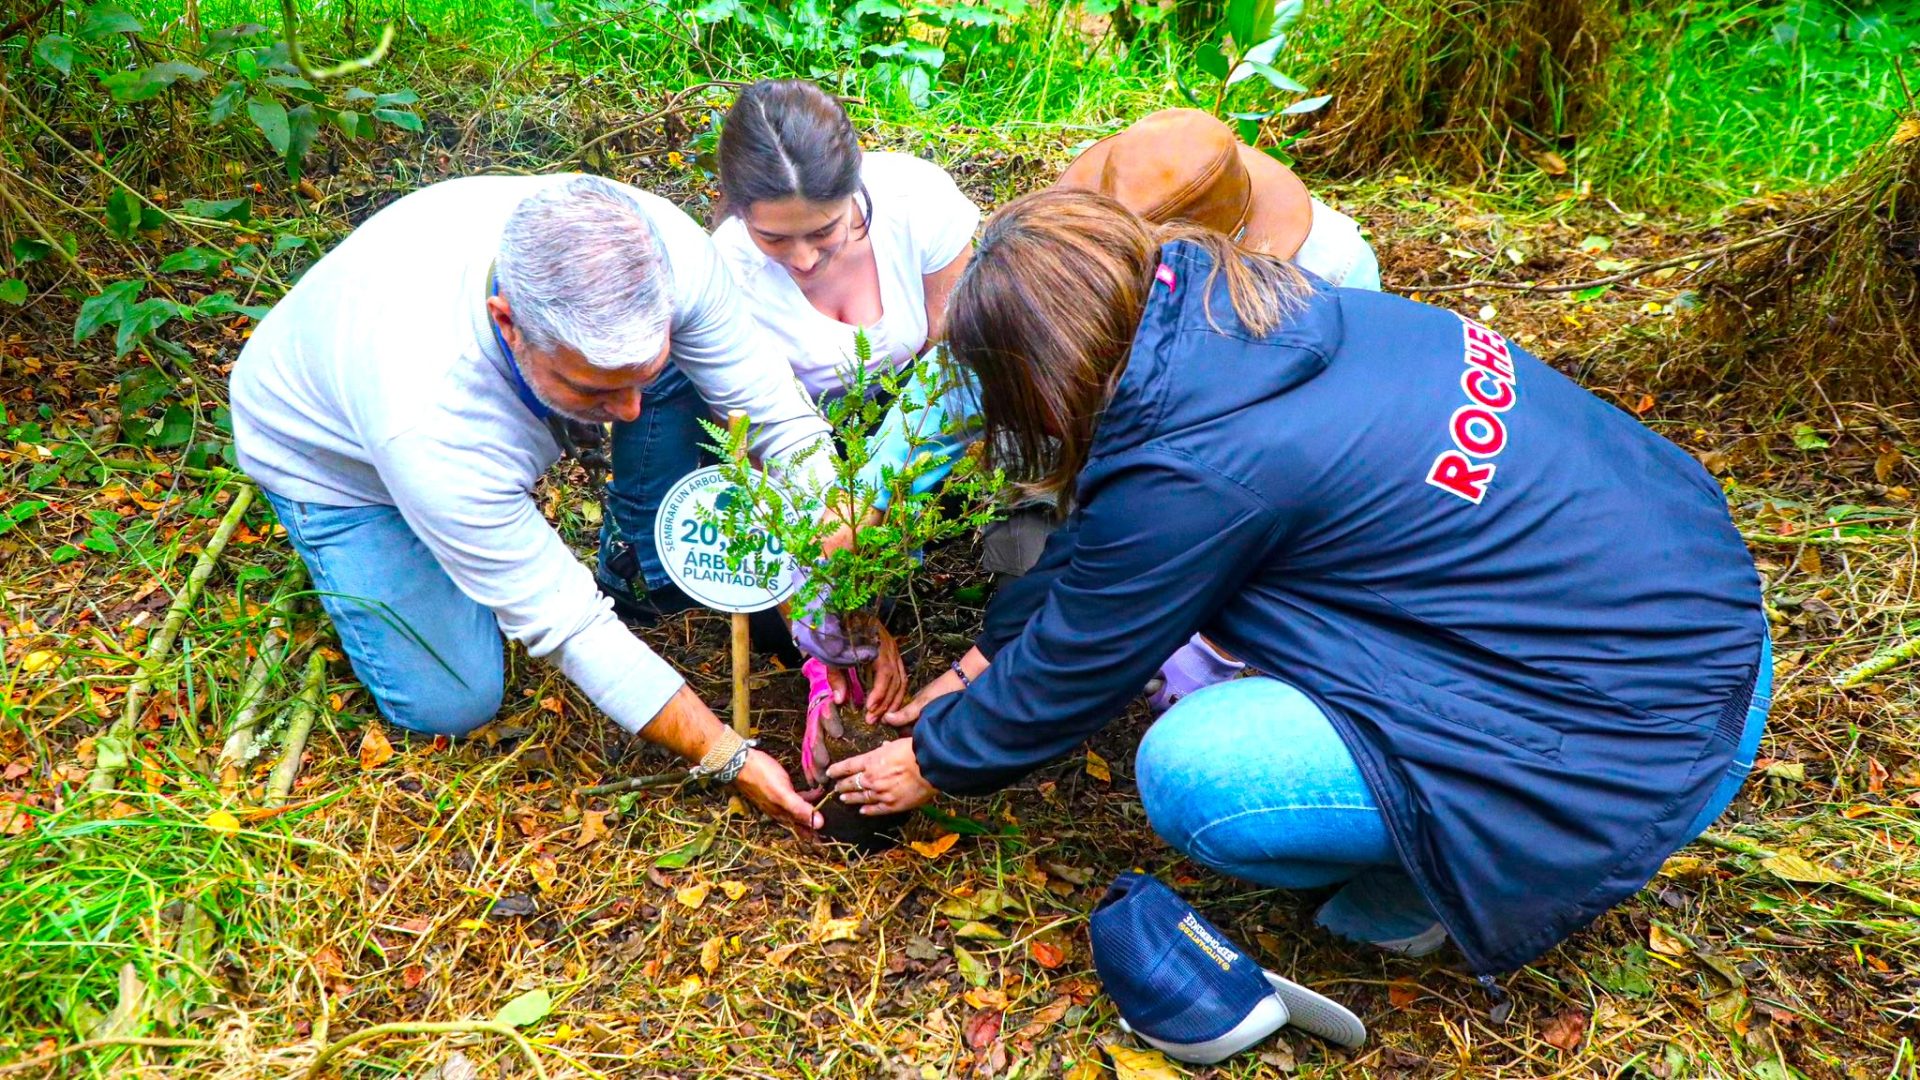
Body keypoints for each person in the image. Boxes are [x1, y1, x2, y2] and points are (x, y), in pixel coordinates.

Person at [824, 189, 1769, 974]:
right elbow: (1108, 542)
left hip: (1635, 732)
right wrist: (981, 663)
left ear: (1047, 372)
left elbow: (1093, 653)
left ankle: (1443, 873)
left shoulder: (1200, 465)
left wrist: (934, 759)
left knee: (1199, 774)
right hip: (1694, 607)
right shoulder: (1249, 320)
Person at [230, 174, 826, 831]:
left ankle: (572, 520)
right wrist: (727, 755)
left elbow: (776, 415)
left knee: (648, 380)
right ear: (508, 323)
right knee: (451, 701)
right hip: (332, 462)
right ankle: (391, 542)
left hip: (425, 394)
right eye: (596, 392)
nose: (629, 413)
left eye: (642, 380)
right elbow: (569, 623)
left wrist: (840, 573)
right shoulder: (429, 415)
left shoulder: (665, 252)